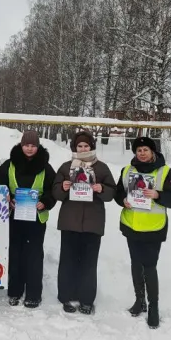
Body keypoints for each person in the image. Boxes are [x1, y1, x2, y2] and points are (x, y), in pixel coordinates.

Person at [114, 137, 171, 329]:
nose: (142, 153)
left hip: (154, 228)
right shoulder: (127, 170)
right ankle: (140, 301)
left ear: (152, 152)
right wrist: (123, 201)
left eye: (145, 150)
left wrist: (158, 195)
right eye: (138, 150)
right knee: (136, 264)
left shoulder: (164, 172)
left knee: (150, 267)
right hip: (131, 225)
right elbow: (117, 192)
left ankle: (154, 307)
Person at [51, 130, 116, 315]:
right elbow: (55, 192)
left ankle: (87, 299)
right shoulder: (66, 167)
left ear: (92, 146)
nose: (83, 148)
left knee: (88, 262)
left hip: (92, 223)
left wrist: (102, 188)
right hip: (69, 221)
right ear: (74, 147)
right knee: (68, 261)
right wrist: (62, 187)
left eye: (86, 146)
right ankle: (66, 296)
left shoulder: (101, 168)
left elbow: (112, 192)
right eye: (79, 146)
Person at [0, 130, 56, 308]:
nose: (29, 149)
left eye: (33, 145)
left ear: (38, 147)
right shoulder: (10, 165)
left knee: (34, 257)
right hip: (14, 218)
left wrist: (45, 202)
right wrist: (6, 197)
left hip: (36, 220)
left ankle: (34, 294)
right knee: (15, 255)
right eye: (26, 145)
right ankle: (15, 291)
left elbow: (53, 190)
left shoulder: (46, 167)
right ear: (21, 146)